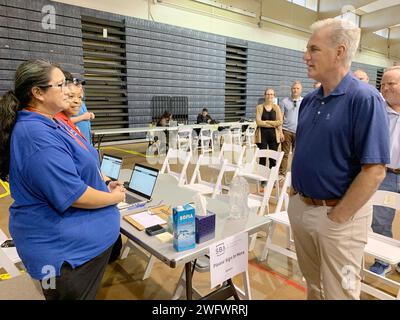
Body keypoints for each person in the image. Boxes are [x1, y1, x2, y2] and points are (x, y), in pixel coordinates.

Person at [0, 60, 125, 300]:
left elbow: (75, 170)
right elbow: (74, 194)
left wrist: (102, 184)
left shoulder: (53, 120)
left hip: (78, 249)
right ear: (38, 93)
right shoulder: (37, 136)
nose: (68, 90)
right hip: (66, 256)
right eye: (60, 84)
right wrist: (114, 197)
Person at [289, 19, 389, 300]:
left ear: (339, 52)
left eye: (314, 49)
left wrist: (338, 218)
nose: (305, 56)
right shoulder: (310, 100)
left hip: (338, 218)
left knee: (340, 293)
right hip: (302, 208)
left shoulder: (365, 99)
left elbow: (375, 171)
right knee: (314, 286)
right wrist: (295, 194)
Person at [369, 66, 400, 276]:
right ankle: (383, 260)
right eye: (382, 84)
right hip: (386, 174)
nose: (385, 88)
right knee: (380, 220)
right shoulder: (378, 110)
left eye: (391, 83)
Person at [279, 81, 303, 180]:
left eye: (297, 88)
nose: (295, 90)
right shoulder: (284, 101)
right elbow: (280, 118)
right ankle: (282, 174)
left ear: (301, 90)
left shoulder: (304, 101)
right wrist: (280, 131)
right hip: (286, 131)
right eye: (294, 88)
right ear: (291, 89)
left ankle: (295, 174)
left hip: (299, 132)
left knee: (297, 154)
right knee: (284, 153)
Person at [254, 88, 283, 169]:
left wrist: (266, 122)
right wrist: (273, 123)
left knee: (273, 159)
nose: (269, 96)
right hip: (262, 136)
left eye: (271, 94)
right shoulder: (259, 107)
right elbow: (258, 122)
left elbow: (280, 121)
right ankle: (262, 178)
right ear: (264, 95)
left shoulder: (276, 107)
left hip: (274, 136)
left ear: (274, 96)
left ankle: (271, 178)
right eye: (268, 94)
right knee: (262, 158)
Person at [71, 78, 94, 144]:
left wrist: (90, 115)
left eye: (81, 85)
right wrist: (83, 117)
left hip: (87, 139)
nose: (81, 87)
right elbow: (65, 120)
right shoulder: (69, 102)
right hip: (77, 140)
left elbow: (84, 115)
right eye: (78, 85)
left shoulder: (81, 102)